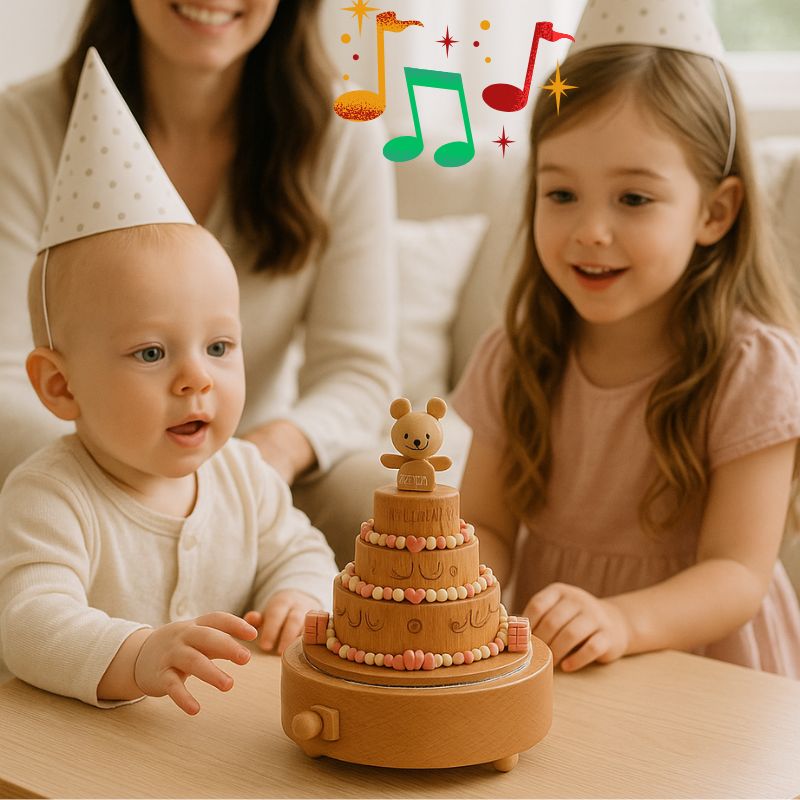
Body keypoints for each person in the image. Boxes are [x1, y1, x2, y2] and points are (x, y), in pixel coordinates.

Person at [453, 0, 800, 678]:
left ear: (716, 210)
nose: (590, 230)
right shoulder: (515, 355)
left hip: (705, 675)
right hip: (558, 664)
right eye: (560, 195)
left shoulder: (753, 371)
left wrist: (621, 620)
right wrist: (462, 598)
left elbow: (736, 573)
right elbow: (486, 525)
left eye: (634, 199)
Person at [0, 48, 338, 712]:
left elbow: (303, 551)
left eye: (218, 346)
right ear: (60, 387)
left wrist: (299, 596)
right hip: (79, 755)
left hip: (209, 745)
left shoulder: (245, 477)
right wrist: (135, 655)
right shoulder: (51, 495)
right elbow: (28, 622)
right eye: (151, 354)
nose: (196, 379)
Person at [0, 0, 397, 562]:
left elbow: (357, 370)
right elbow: (8, 370)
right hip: (78, 459)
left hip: (245, 460)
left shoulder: (341, 132)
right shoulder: (23, 126)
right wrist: (112, 475)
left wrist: (264, 458)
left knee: (367, 497)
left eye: (216, 346)